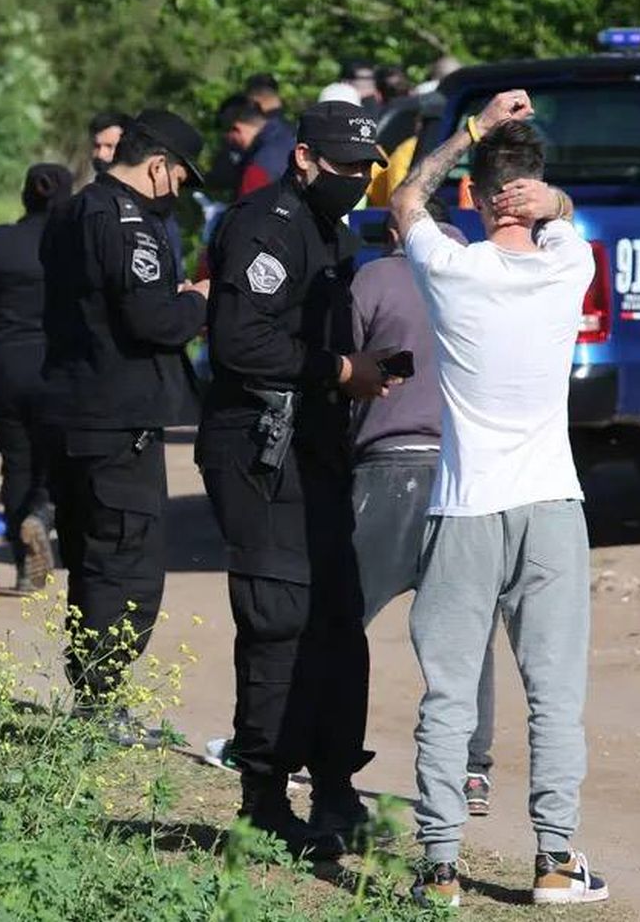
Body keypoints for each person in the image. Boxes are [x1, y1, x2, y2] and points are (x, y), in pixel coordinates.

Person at [390, 93, 609, 908]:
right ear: (535, 193)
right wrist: (552, 203)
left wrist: (469, 131)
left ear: (477, 199)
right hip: (552, 504)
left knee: (449, 691)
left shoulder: (451, 268)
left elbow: (404, 195)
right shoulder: (569, 262)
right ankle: (555, 862)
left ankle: (441, 867)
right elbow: (565, 215)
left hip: (467, 505)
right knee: (555, 694)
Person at [197, 100, 395, 858]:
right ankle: (264, 800)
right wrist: (342, 371)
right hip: (258, 448)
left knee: (338, 618)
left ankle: (336, 788)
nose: (355, 180)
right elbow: (240, 342)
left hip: (314, 445)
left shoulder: (329, 230)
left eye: (365, 170)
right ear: (305, 156)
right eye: (344, 166)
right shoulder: (264, 226)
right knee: (279, 619)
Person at [40, 109, 210, 743]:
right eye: (182, 179)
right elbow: (153, 321)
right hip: (118, 418)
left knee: (91, 558)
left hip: (74, 410)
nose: (182, 191)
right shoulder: (127, 221)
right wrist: (198, 299)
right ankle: (101, 705)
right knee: (127, 564)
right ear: (159, 166)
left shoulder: (72, 210)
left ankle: (93, 699)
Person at [349, 200, 499, 817]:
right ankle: (471, 771)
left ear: (395, 230)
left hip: (387, 470)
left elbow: (340, 370)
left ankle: (317, 747)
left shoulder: (376, 278)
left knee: (337, 620)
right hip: (466, 476)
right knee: (469, 633)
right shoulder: (479, 276)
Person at [0, 163, 73, 594]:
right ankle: (41, 517)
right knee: (62, 460)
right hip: (58, 367)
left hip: (3, 367)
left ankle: (25, 568)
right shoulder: (74, 244)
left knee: (17, 464)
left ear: (26, 196)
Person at [220, 95, 295, 198]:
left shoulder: (258, 167)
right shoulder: (295, 134)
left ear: (237, 129)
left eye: (228, 135)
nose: (230, 142)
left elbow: (249, 212)